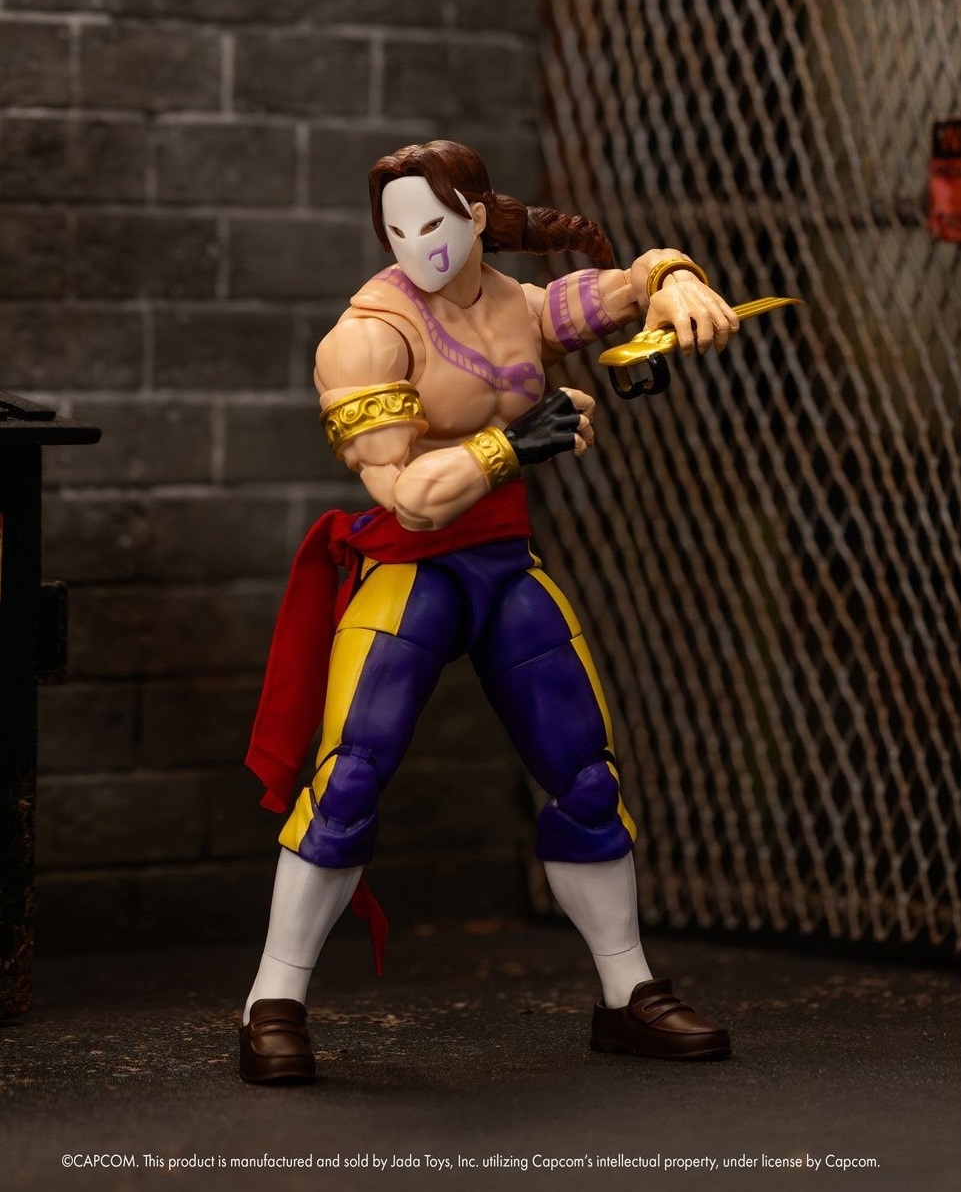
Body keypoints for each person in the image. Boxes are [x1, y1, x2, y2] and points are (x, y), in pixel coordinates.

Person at [239, 140, 740, 1083]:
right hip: (413, 572)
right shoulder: (368, 335)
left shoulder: (520, 305)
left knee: (584, 774)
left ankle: (626, 992)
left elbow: (624, 285)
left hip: (504, 567)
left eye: (432, 222)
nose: (415, 244)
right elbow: (407, 496)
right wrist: (512, 445)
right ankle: (272, 1000)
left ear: (475, 215)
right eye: (395, 229)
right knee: (348, 779)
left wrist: (674, 279)